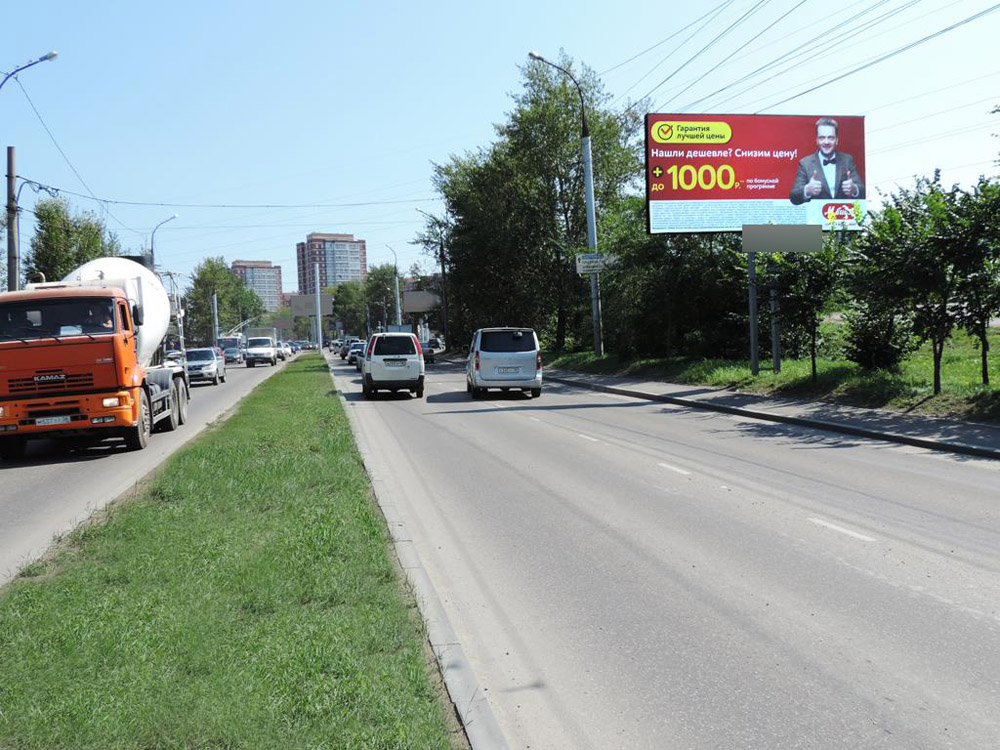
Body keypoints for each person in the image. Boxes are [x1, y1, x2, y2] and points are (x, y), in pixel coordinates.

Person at [789, 117, 864, 205]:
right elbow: (794, 197)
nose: (826, 142)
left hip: (842, 216)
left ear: (837, 140)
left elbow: (862, 191)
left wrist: (854, 189)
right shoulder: (805, 163)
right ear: (817, 140)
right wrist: (807, 190)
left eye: (831, 138)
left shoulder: (847, 160)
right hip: (816, 217)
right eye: (822, 138)